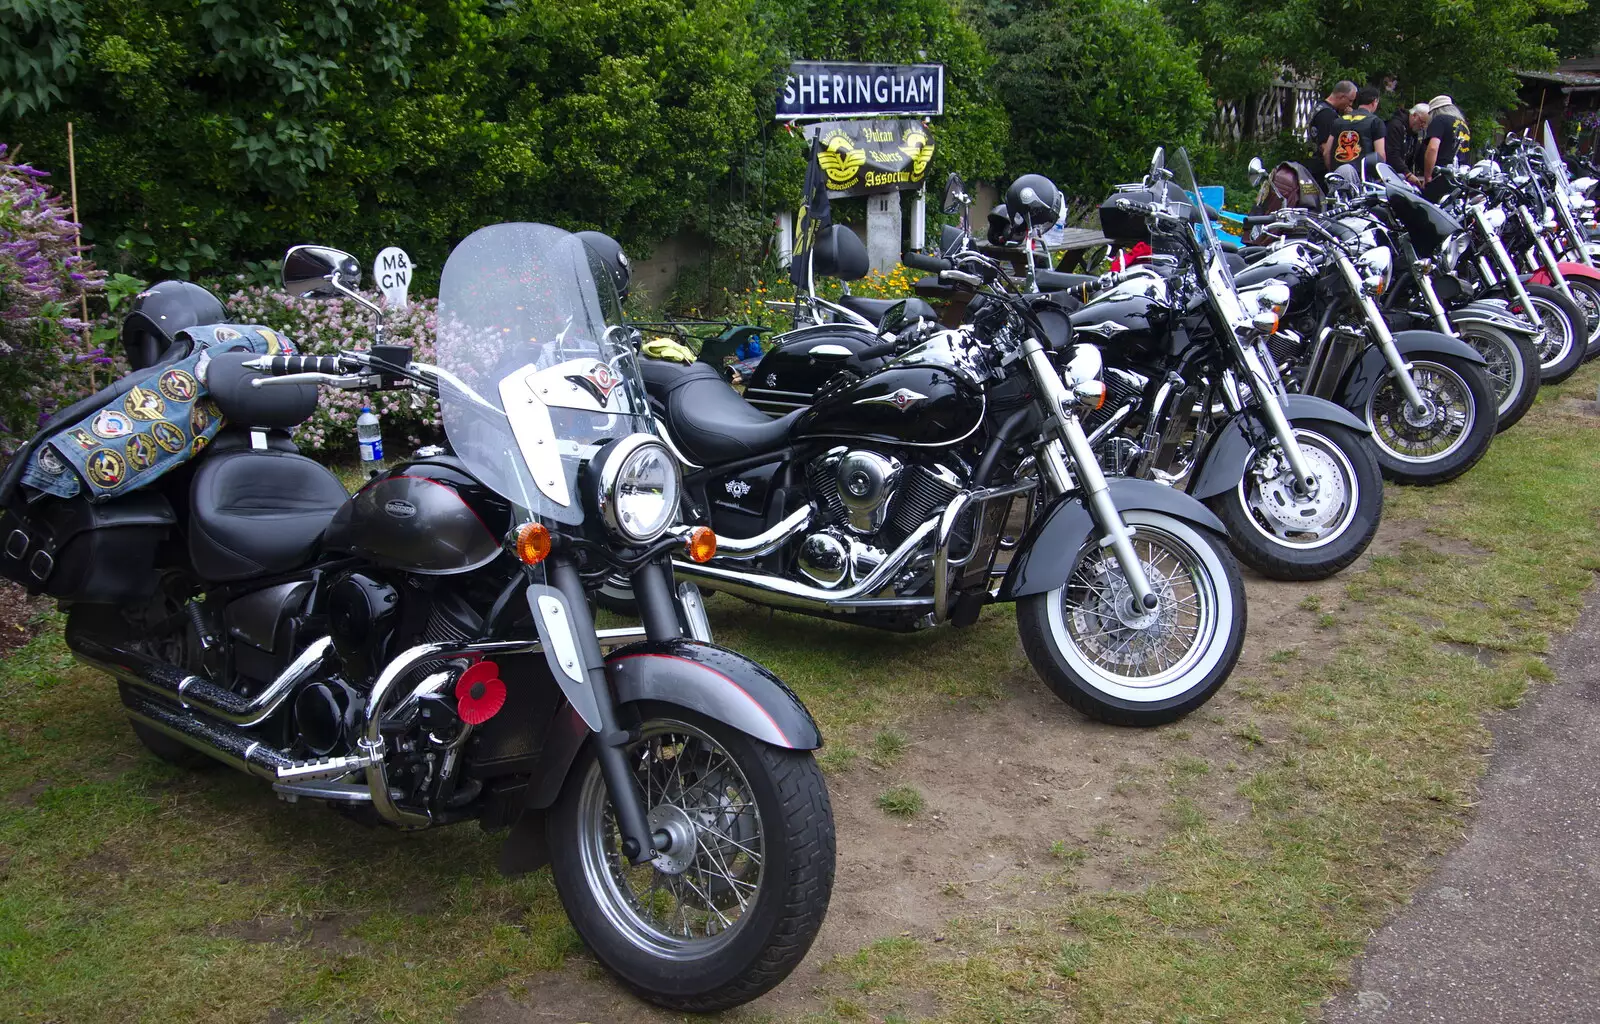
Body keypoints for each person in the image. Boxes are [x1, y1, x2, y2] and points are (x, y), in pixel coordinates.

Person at [1420, 95, 1472, 200]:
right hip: (1459, 178)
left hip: (1442, 176)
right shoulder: (1464, 125)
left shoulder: (1439, 120)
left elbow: (1433, 148)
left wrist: (1428, 177)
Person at [1327, 85, 1387, 172]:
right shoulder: (1375, 122)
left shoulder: (1338, 121)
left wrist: (1332, 172)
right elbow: (1380, 154)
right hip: (1361, 179)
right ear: (1374, 102)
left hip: (1337, 177)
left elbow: (1327, 152)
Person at [1307, 80, 1357, 179]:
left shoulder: (1320, 106)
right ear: (1342, 97)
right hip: (1322, 170)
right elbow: (1326, 149)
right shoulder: (1328, 115)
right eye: (1350, 100)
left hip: (1314, 164)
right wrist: (1333, 174)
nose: (1350, 105)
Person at [1386, 102, 1430, 178]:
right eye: (1422, 122)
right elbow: (1392, 154)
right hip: (1390, 175)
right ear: (1414, 115)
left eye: (1426, 124)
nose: (1423, 126)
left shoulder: (1416, 132)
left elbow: (1420, 157)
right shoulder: (1395, 126)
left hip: (1404, 175)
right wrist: (1407, 174)